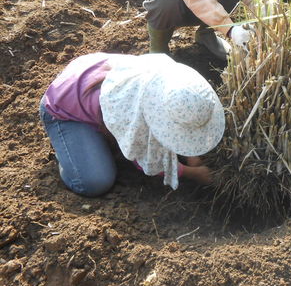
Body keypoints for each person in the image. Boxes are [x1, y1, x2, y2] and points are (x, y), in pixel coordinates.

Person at [39, 53, 225, 197]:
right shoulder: (134, 116)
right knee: (95, 182)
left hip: (91, 71)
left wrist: (193, 154)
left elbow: (185, 121)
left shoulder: (175, 87)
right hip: (62, 107)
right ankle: (69, 154)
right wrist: (194, 173)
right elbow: (147, 161)